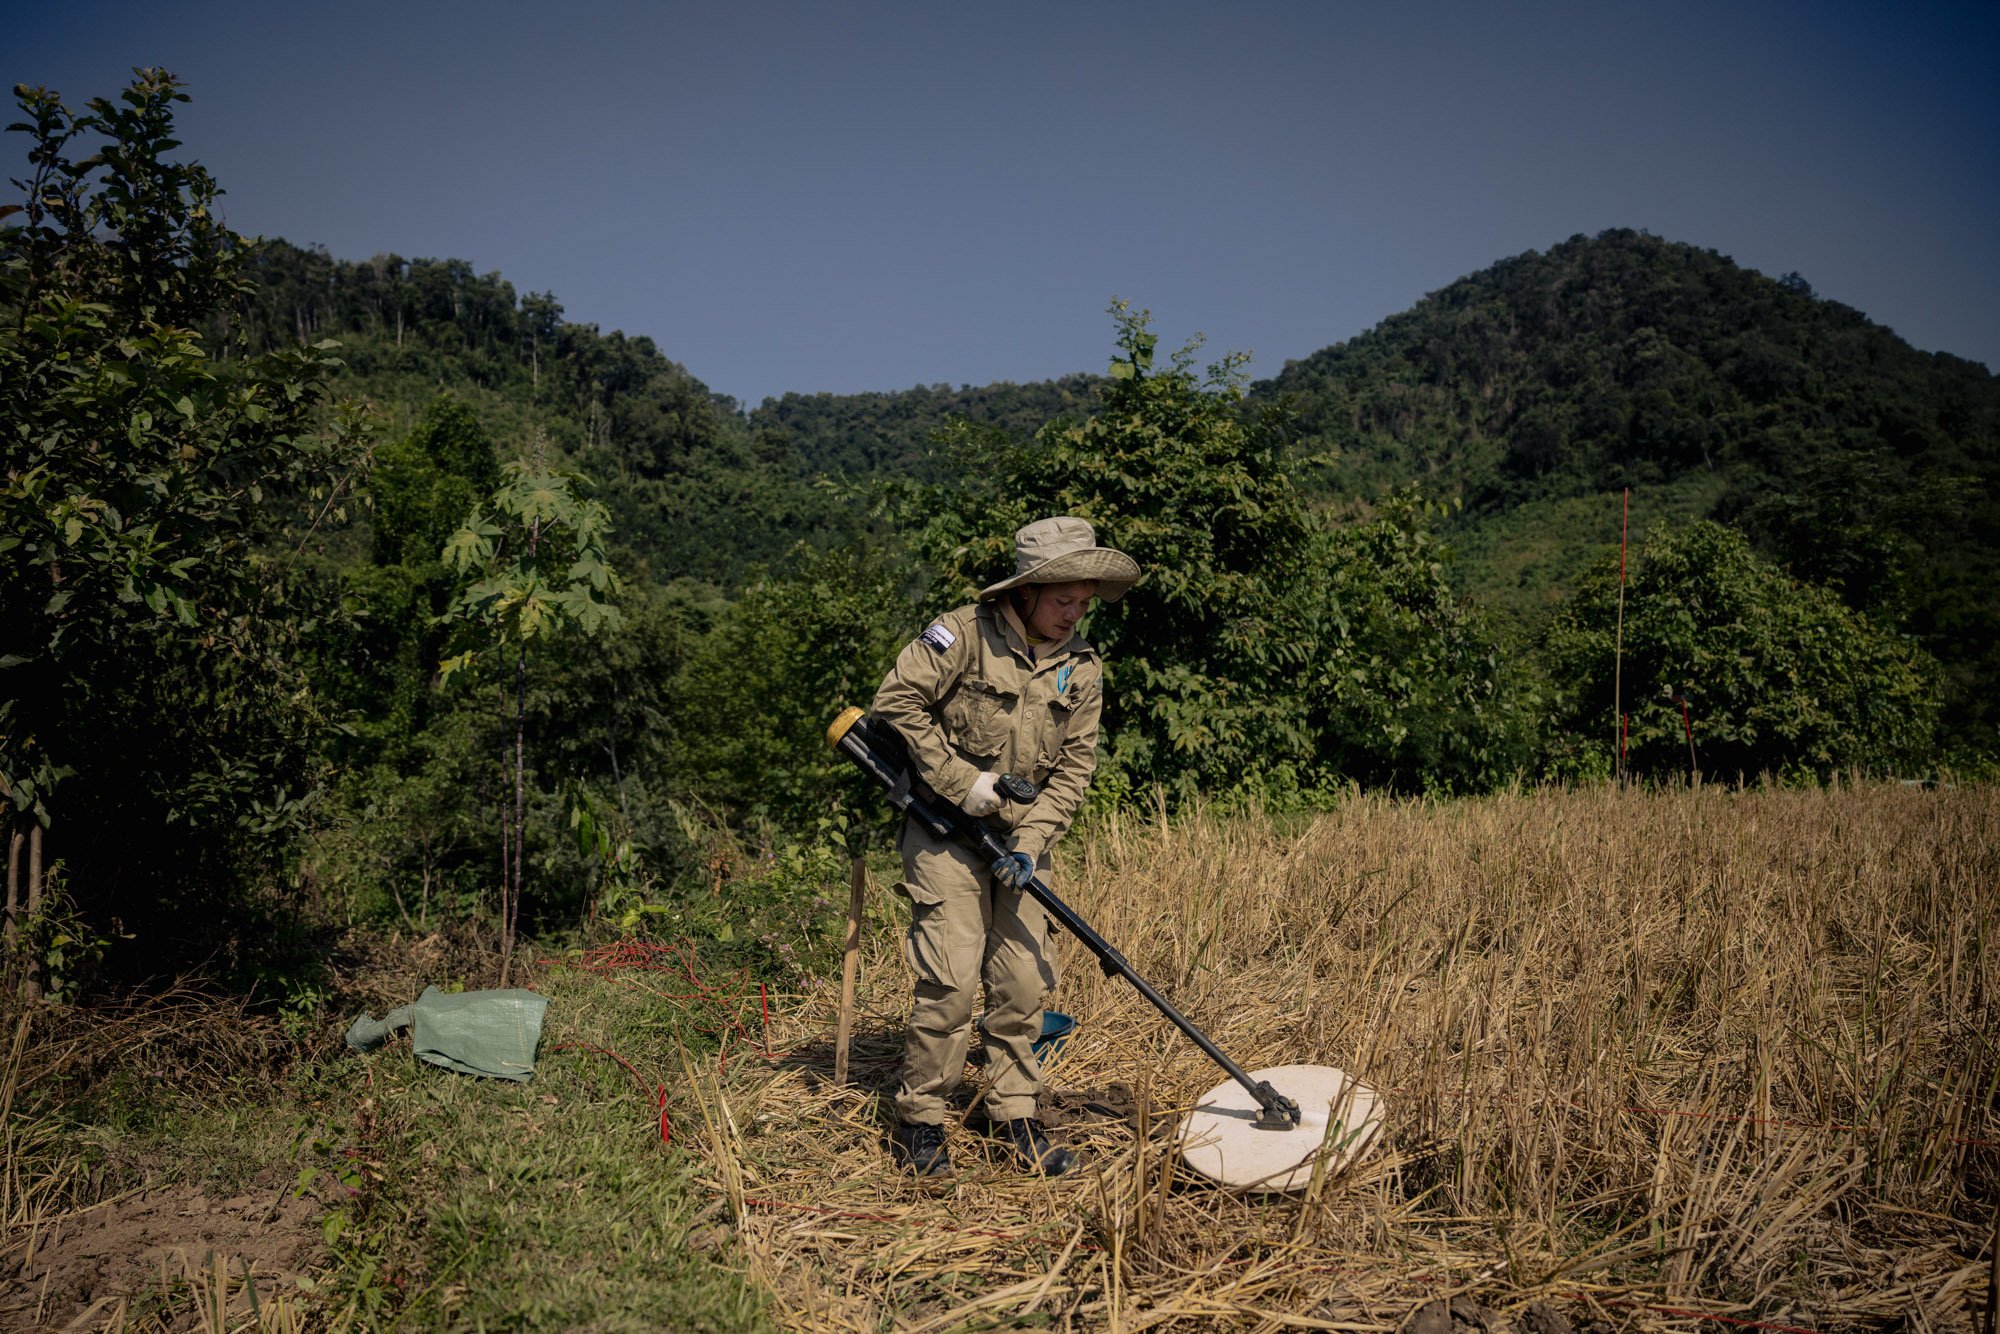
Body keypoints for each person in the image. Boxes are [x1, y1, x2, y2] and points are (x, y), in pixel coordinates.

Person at [872, 516, 1139, 1176]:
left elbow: (1074, 769)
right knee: (954, 981)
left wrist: (1032, 840)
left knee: (1023, 981)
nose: (1074, 615)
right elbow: (896, 700)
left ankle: (1014, 1115)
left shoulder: (1082, 667)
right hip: (945, 836)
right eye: (1062, 601)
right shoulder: (961, 634)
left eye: (1083, 603)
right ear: (1025, 593)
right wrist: (963, 783)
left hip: (1019, 844)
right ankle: (921, 1122)